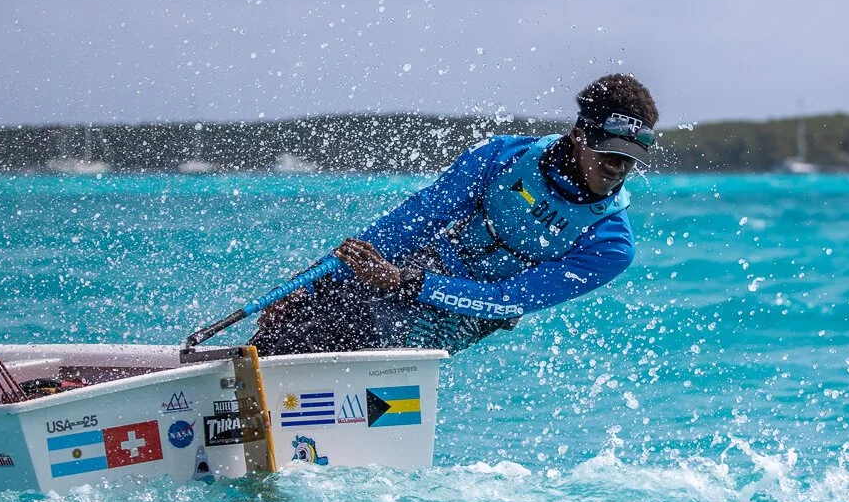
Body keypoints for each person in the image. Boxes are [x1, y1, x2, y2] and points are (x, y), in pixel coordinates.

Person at [249, 74, 658, 356]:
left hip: (470, 310)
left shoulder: (610, 244)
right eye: (609, 151)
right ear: (579, 133)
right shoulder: (502, 158)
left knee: (356, 323)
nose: (618, 167)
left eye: (630, 158)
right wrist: (307, 281)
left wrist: (408, 283)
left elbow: (507, 300)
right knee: (306, 309)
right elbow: (405, 227)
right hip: (421, 268)